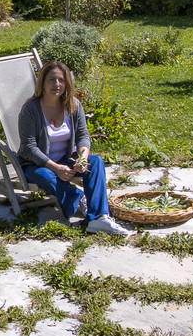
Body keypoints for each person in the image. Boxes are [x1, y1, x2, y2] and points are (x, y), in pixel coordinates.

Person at [18, 61, 130, 236]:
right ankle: (78, 197)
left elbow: (83, 136)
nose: (57, 84)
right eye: (51, 80)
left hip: (65, 158)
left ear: (67, 83)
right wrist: (55, 167)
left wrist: (82, 158)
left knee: (96, 162)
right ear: (42, 83)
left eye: (61, 80)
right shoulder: (31, 109)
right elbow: (29, 147)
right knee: (46, 175)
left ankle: (99, 217)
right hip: (35, 164)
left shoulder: (73, 105)